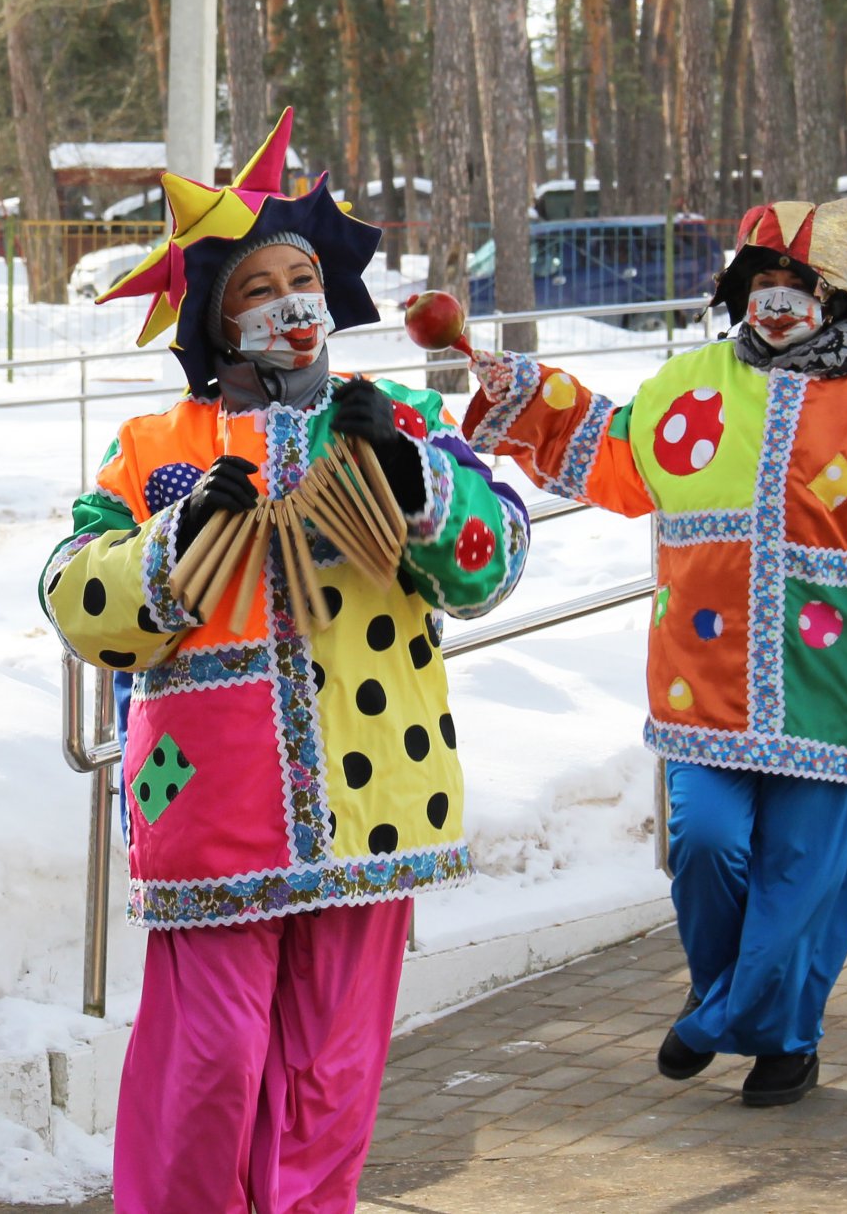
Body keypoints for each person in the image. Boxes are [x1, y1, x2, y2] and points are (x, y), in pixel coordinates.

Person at [461, 197, 847, 1107]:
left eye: (801, 284)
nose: (779, 301)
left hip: (838, 694)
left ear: (839, 299)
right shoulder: (691, 387)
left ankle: (774, 1035)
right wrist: (525, 389)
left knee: (803, 877)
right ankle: (723, 998)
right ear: (737, 291)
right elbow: (610, 451)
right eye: (763, 282)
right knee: (708, 846)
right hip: (701, 684)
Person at [39, 111, 529, 1213]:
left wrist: (412, 480)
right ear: (216, 323)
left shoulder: (399, 416)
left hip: (378, 796)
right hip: (212, 809)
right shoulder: (158, 448)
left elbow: (490, 566)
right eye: (256, 289)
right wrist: (167, 547)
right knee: (207, 1064)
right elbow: (75, 595)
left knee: (329, 1074)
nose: (289, 304)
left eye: (302, 277)